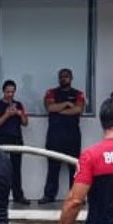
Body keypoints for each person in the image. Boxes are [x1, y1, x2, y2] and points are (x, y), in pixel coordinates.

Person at [40, 68, 86, 204]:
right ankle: (49, 196)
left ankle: (75, 196)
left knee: (74, 167)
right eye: (61, 76)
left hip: (72, 136)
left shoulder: (78, 94)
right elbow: (50, 108)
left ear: (71, 78)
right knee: (53, 167)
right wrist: (66, 104)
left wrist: (59, 111)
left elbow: (78, 109)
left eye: (66, 76)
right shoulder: (51, 92)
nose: (63, 79)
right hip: (55, 136)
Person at [0, 80, 30, 206]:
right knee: (0, 169)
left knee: (16, 169)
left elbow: (25, 123)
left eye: (12, 92)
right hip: (1, 139)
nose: (10, 94)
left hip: (16, 139)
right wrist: (7, 114)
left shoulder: (19, 104)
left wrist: (19, 114)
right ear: (3, 92)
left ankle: (18, 196)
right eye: (8, 92)